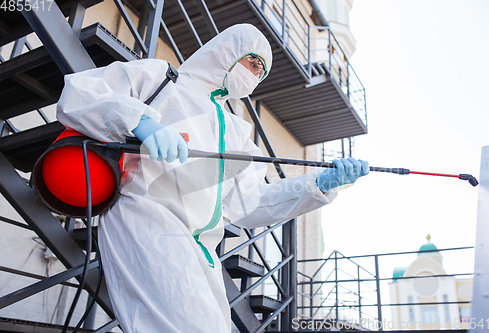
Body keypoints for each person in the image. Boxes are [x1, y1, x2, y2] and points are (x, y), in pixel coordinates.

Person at [57, 24, 369, 332]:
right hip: (148, 221)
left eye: (262, 73)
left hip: (204, 249)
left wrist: (317, 185)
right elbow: (79, 93)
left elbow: (250, 203)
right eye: (254, 62)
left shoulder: (236, 131)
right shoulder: (162, 81)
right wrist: (139, 121)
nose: (256, 75)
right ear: (227, 51)